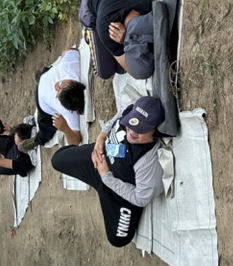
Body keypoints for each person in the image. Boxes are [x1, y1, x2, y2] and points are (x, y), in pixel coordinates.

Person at [50, 96, 165, 247]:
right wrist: (101, 137)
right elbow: (114, 120)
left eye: (141, 130)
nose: (132, 132)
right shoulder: (130, 108)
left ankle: (105, 192)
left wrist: (106, 176)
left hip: (116, 193)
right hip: (96, 158)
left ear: (155, 131)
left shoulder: (149, 160)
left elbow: (141, 198)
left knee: (118, 239)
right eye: (131, 123)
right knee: (57, 160)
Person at [79, 0, 156, 79]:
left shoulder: (147, 5)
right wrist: (125, 42)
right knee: (104, 71)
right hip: (89, 10)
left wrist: (125, 42)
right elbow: (132, 71)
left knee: (125, 64)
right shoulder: (108, 28)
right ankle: (89, 33)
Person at [20, 48, 86, 151]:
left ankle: (36, 141)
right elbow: (69, 51)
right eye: (61, 86)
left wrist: (65, 129)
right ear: (73, 82)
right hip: (45, 77)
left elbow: (75, 141)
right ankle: (39, 80)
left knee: (46, 129)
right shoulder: (70, 66)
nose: (56, 87)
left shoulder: (68, 111)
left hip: (41, 102)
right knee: (47, 71)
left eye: (57, 94)